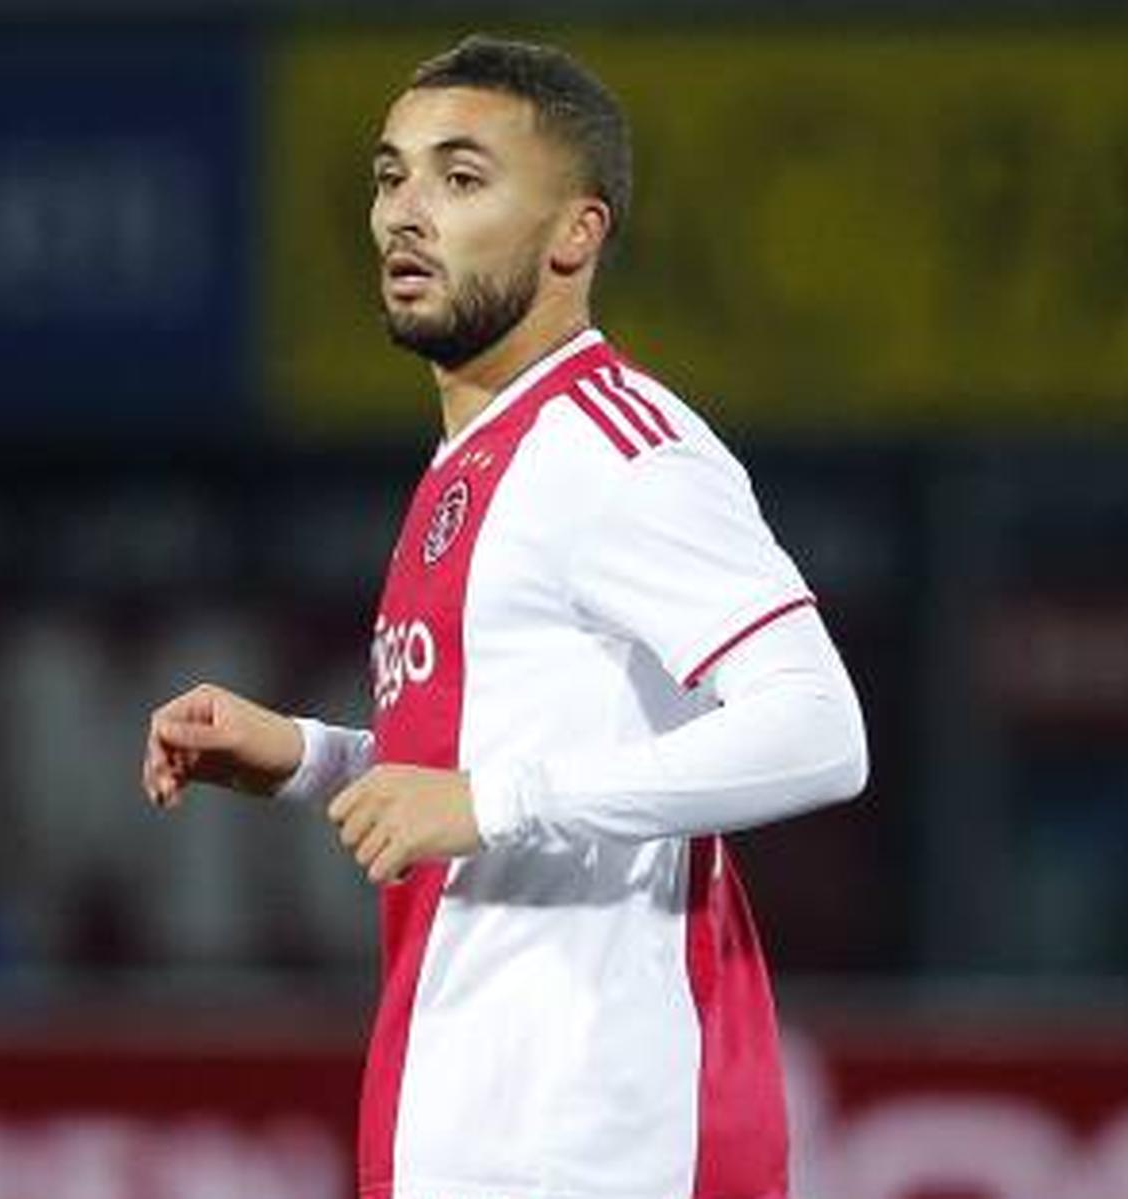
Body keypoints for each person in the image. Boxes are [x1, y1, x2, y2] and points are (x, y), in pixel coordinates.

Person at [140, 34, 866, 1199]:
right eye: (391, 176)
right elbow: (495, 768)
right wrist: (311, 757)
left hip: (599, 1140)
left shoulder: (619, 450)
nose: (405, 212)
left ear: (575, 234)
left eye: (462, 178)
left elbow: (820, 728)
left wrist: (493, 800)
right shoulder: (472, 460)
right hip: (469, 1125)